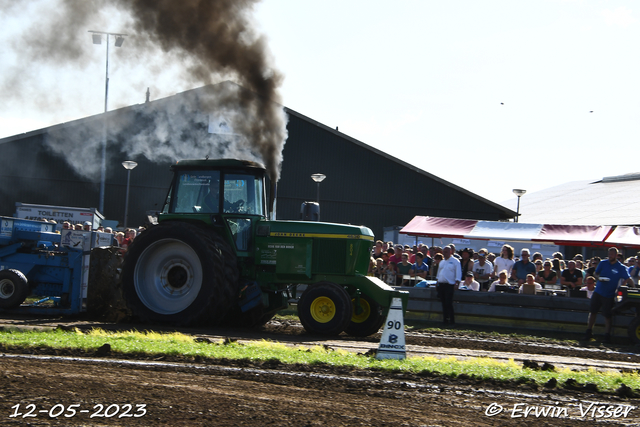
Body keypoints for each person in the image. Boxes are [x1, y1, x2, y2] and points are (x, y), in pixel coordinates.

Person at [585, 247, 633, 343]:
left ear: (616, 255)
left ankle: (607, 335)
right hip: (598, 291)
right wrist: (599, 278)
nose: (610, 256)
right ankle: (589, 332)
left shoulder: (620, 267)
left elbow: (628, 278)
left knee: (607, 315)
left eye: (612, 254)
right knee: (593, 311)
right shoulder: (603, 263)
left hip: (609, 294)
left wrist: (629, 287)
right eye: (609, 254)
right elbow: (595, 273)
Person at [435, 246, 461, 324]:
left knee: (448, 303)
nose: (444, 253)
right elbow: (439, 273)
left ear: (450, 252)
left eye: (446, 252)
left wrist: (457, 283)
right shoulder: (442, 262)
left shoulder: (455, 261)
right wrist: (437, 282)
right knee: (443, 303)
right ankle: (445, 320)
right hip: (441, 284)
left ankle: (451, 321)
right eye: (444, 252)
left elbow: (458, 273)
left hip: (449, 285)